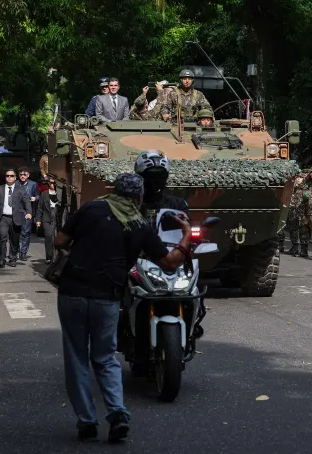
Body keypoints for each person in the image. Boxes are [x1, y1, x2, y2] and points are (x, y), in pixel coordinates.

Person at [54, 173, 194, 442]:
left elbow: (59, 241)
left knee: (77, 358)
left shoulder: (91, 208)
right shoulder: (140, 224)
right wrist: (186, 234)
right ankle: (117, 412)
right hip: (107, 296)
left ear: (114, 190)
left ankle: (86, 421)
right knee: (105, 358)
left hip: (72, 292)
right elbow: (169, 263)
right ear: (139, 197)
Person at [133, 150, 189, 230]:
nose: (154, 182)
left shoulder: (178, 205)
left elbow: (187, 227)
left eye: (160, 176)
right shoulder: (129, 205)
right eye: (150, 176)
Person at [0, 169, 32, 268]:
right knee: (2, 238)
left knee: (14, 240)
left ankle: (13, 259)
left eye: (12, 176)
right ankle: (1, 260)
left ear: (15, 177)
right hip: (3, 218)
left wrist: (29, 212)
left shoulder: (20, 189)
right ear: (5, 177)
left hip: (15, 218)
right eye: (7, 175)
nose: (9, 177)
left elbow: (27, 202)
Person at [36, 178, 61, 263]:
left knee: (58, 238)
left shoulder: (60, 194)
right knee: (49, 236)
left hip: (57, 219)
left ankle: (58, 256)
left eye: (54, 183)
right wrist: (38, 220)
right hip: (47, 218)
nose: (52, 185)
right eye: (50, 183)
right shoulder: (44, 194)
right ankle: (49, 257)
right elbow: (40, 207)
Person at [17, 166, 39, 261]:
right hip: (16, 211)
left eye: (24, 174)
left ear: (28, 175)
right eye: (21, 174)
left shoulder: (33, 184)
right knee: (16, 233)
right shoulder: (15, 183)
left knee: (25, 233)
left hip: (28, 211)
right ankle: (16, 251)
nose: (22, 176)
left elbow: (38, 195)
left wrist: (35, 198)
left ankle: (23, 253)